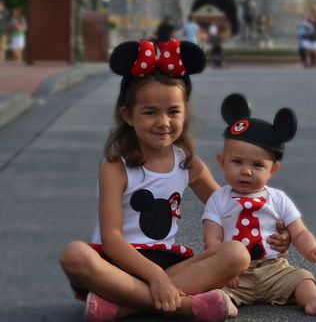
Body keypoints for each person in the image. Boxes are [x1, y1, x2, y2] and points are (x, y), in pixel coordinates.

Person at [60, 39, 251, 321]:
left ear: (184, 113)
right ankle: (184, 306)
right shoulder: (116, 167)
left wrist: (275, 231)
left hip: (167, 262)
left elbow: (228, 208)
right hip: (117, 264)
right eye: (150, 112)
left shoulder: (188, 163)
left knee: (236, 254)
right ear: (127, 115)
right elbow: (112, 239)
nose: (163, 122)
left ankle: (126, 306)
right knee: (74, 255)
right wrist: (155, 277)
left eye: (173, 111)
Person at [202, 93, 316, 317]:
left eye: (257, 165)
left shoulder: (277, 198)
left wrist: (311, 249)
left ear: (273, 170)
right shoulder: (218, 199)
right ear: (221, 162)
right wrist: (222, 268)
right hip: (235, 273)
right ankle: (224, 305)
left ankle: (314, 301)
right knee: (214, 287)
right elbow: (212, 239)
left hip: (274, 268)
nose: (246, 171)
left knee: (302, 278)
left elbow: (299, 231)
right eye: (237, 162)